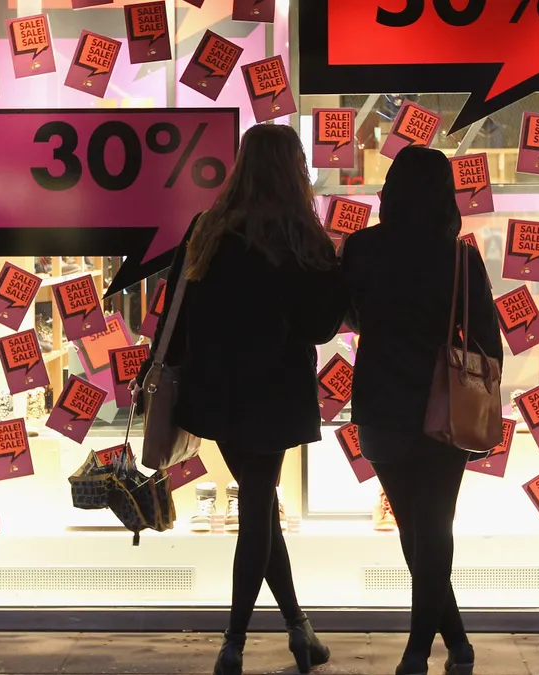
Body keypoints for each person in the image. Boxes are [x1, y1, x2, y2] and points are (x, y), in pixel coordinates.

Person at [134, 124, 342, 675]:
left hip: (215, 391)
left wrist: (160, 373)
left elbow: (174, 315)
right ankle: (235, 642)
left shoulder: (207, 229)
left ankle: (300, 631)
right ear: (294, 170)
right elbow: (323, 328)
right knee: (257, 509)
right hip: (274, 392)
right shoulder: (302, 237)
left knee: (259, 510)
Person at [340, 146, 502, 675]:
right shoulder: (460, 257)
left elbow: (350, 316)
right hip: (444, 408)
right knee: (433, 526)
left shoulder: (362, 249)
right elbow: (487, 343)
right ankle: (432, 645)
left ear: (390, 191)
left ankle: (442, 646)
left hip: (381, 403)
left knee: (415, 527)